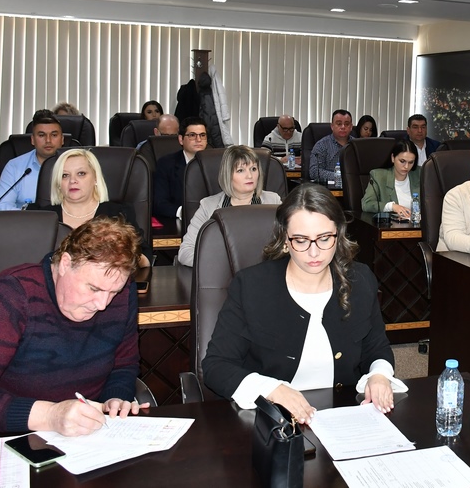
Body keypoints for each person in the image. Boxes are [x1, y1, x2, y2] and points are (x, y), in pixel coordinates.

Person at [202, 184, 404, 423]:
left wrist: (379, 375)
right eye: (301, 240)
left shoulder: (360, 280)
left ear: (338, 235)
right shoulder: (251, 286)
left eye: (324, 238)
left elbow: (377, 347)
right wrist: (271, 389)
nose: (314, 252)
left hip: (342, 416)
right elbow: (217, 366)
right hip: (272, 422)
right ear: (285, 239)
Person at [0, 217, 147, 435]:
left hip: (88, 436)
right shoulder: (11, 294)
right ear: (65, 264)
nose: (102, 304)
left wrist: (114, 400)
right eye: (94, 289)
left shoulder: (122, 291)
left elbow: (123, 365)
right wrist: (50, 416)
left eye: (113, 292)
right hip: (12, 434)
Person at [30, 149, 152, 267]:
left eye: (81, 174)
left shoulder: (118, 215)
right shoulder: (42, 217)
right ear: (58, 183)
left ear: (95, 179)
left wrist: (121, 257)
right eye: (65, 175)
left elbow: (145, 258)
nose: (72, 181)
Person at [178, 146, 283, 266]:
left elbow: (289, 244)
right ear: (227, 175)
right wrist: (222, 265)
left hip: (263, 271)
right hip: (223, 274)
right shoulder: (208, 206)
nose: (250, 176)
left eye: (253, 169)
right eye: (240, 170)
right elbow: (185, 251)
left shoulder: (273, 201)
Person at [0, 109, 64, 211]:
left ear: (62, 139)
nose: (48, 140)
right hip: (26, 220)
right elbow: (0, 207)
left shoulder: (77, 167)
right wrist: (32, 215)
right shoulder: (14, 166)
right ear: (32, 140)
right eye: (41, 135)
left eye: (54, 135)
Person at [153, 116, 207, 219]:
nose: (198, 139)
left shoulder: (216, 163)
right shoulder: (166, 164)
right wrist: (183, 212)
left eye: (202, 135)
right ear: (181, 139)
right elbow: (159, 203)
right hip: (179, 220)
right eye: (192, 135)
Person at [361, 139, 420, 219]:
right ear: (393, 158)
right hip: (393, 225)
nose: (406, 166)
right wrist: (392, 206)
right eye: (402, 161)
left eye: (411, 162)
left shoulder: (420, 174)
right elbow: (366, 204)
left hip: (418, 224)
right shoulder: (379, 176)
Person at [309, 109, 353, 185]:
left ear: (351, 127)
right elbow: (314, 172)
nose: (343, 127)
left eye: (346, 124)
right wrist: (339, 177)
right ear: (332, 126)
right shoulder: (321, 145)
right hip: (328, 189)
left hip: (353, 187)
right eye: (339, 124)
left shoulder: (357, 145)